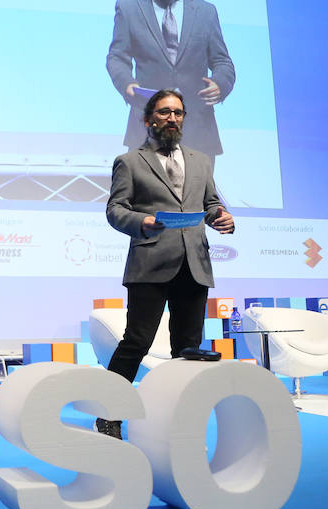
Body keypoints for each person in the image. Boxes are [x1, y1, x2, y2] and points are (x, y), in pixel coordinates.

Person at [99, 89, 234, 439]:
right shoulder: (130, 161)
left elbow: (211, 202)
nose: (171, 118)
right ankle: (108, 415)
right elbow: (115, 210)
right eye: (163, 112)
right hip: (150, 261)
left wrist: (220, 217)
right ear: (148, 120)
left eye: (177, 112)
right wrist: (141, 222)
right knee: (137, 341)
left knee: (187, 348)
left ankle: (180, 420)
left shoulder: (201, 160)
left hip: (194, 263)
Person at [106, 0, 235, 162]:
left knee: (197, 187)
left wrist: (220, 84)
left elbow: (222, 62)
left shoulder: (206, 11)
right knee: (145, 187)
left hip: (198, 129)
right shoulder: (129, 8)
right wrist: (126, 83)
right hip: (147, 127)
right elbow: (117, 57)